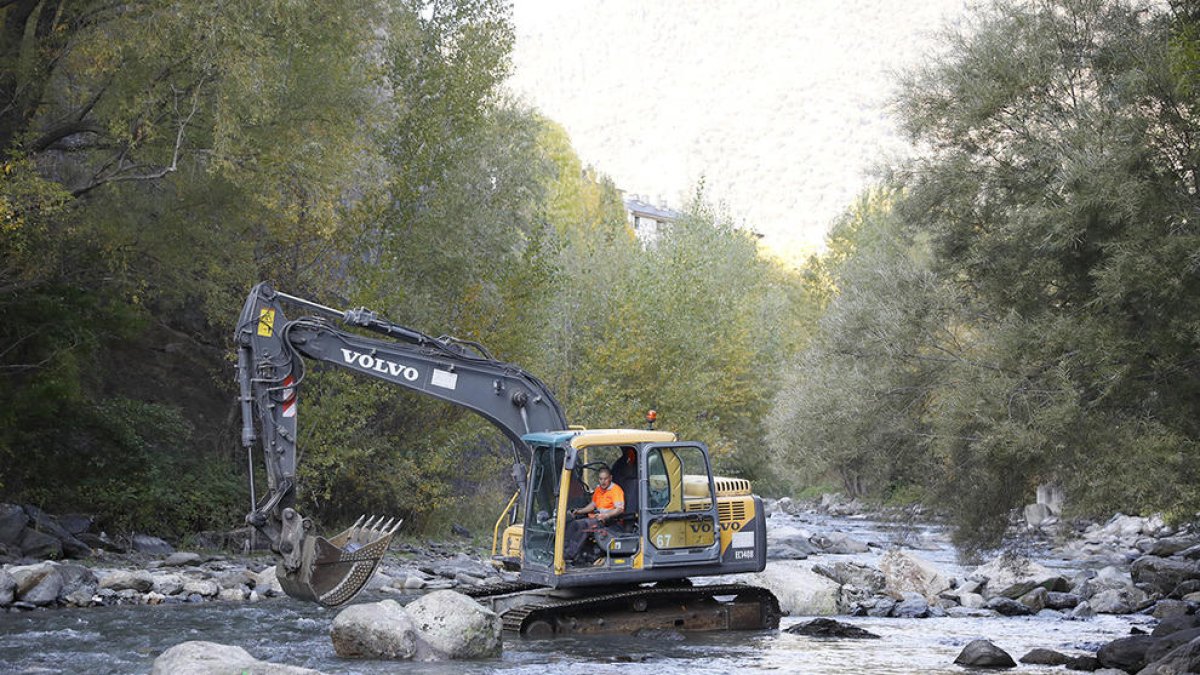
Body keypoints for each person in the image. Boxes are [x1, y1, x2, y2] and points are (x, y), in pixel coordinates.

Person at [564, 466, 624, 563]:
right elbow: (593, 505)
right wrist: (579, 511)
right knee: (572, 523)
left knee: (582, 525)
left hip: (610, 522)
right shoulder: (599, 490)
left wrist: (606, 515)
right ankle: (564, 549)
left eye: (605, 479)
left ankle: (570, 554)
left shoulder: (616, 490)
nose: (603, 482)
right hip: (597, 519)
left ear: (610, 478)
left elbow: (619, 509)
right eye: (600, 479)